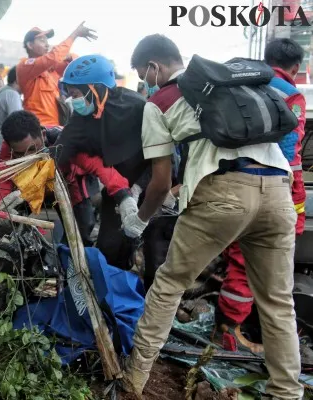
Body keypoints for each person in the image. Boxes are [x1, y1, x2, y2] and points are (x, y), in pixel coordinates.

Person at [122, 34, 302, 399]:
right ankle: (286, 392)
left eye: (144, 72)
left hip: (223, 193)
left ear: (154, 67)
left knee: (169, 284)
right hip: (278, 191)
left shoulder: (160, 101)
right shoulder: (232, 83)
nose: (145, 79)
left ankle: (133, 379)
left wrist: (138, 220)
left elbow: (159, 182)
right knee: (278, 302)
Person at [212, 38, 307, 354]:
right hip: (266, 187)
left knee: (235, 257)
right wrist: (296, 211)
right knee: (247, 265)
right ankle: (228, 335)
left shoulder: (242, 86)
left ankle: (229, 327)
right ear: (295, 68)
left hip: (225, 183)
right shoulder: (290, 95)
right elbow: (290, 156)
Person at [52, 54, 145, 267]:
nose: (72, 99)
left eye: (76, 93)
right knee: (109, 249)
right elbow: (58, 153)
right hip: (116, 190)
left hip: (150, 185)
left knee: (156, 252)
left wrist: (140, 188)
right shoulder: (81, 119)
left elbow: (163, 158)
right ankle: (112, 292)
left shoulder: (138, 108)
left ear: (94, 89)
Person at [0, 110, 132, 246]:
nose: (28, 157)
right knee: (16, 225)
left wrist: (124, 196)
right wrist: (2, 206)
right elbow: (3, 177)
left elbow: (101, 168)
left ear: (42, 135)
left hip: (71, 182)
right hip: (35, 186)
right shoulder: (9, 146)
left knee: (82, 231)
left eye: (32, 149)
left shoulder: (66, 142)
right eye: (19, 154)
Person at [17, 23, 97, 128]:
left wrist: (69, 56)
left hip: (55, 127)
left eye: (47, 41)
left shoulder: (51, 69)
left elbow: (77, 66)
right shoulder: (25, 65)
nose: (47, 45)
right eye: (42, 40)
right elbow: (54, 57)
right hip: (36, 128)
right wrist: (75, 34)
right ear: (30, 45)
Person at [0, 66, 22, 146]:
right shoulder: (12, 94)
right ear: (17, 80)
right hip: (0, 145)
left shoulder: (3, 90)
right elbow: (17, 124)